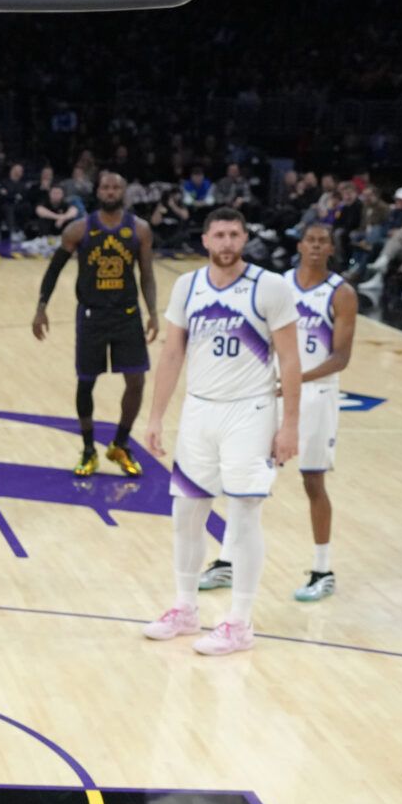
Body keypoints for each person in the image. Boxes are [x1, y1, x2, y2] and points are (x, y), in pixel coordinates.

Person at [142, 208, 300, 655]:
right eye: (219, 235)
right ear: (206, 240)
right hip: (199, 411)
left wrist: (289, 424)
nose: (227, 242)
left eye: (235, 234)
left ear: (244, 239)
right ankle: (186, 608)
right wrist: (155, 418)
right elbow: (172, 354)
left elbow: (289, 359)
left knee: (244, 513)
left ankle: (240, 622)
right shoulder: (187, 286)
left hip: (250, 413)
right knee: (186, 513)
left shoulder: (270, 286)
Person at [199, 223, 354, 603]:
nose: (316, 247)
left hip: (316, 395)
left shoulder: (342, 293)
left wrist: (296, 378)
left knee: (312, 482)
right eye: (311, 241)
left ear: (331, 248)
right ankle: (227, 561)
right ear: (300, 244)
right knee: (247, 478)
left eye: (323, 242)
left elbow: (341, 358)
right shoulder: (277, 284)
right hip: (271, 394)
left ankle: (323, 569)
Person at [32, 171, 160, 476]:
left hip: (127, 315)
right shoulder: (79, 229)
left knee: (137, 381)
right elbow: (53, 271)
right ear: (98, 191)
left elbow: (147, 273)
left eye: (117, 186)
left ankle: (120, 443)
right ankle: (89, 449)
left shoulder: (139, 229)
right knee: (86, 382)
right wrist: (41, 308)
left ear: (124, 192)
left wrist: (153, 311)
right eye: (106, 186)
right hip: (91, 315)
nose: (111, 191)